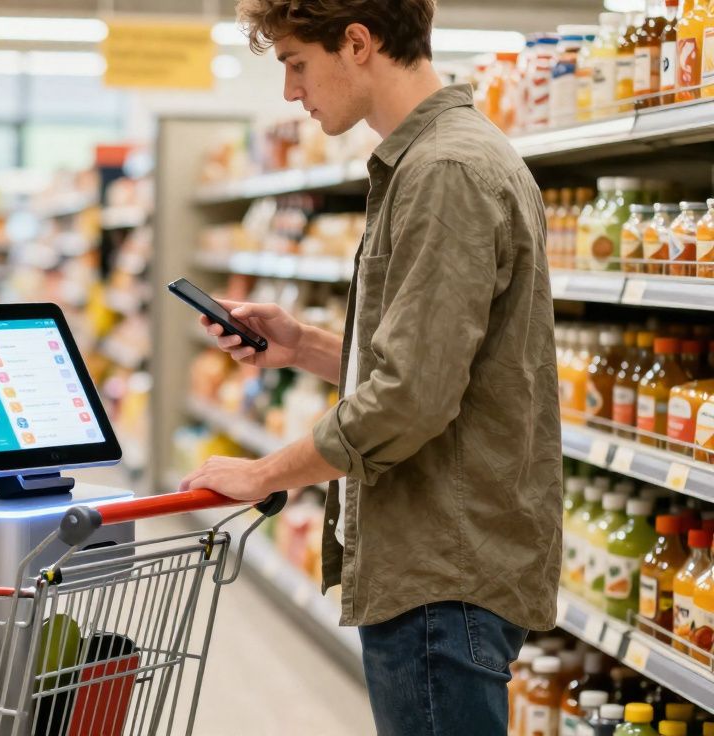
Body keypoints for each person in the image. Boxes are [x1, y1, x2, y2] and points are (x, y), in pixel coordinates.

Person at [177, 1, 561, 733]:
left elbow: (410, 398)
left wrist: (262, 475)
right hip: (440, 563)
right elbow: (443, 366)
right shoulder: (437, 158)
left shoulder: (445, 171)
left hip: (439, 572)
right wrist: (305, 347)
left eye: (296, 63)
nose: (291, 91)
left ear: (356, 43)